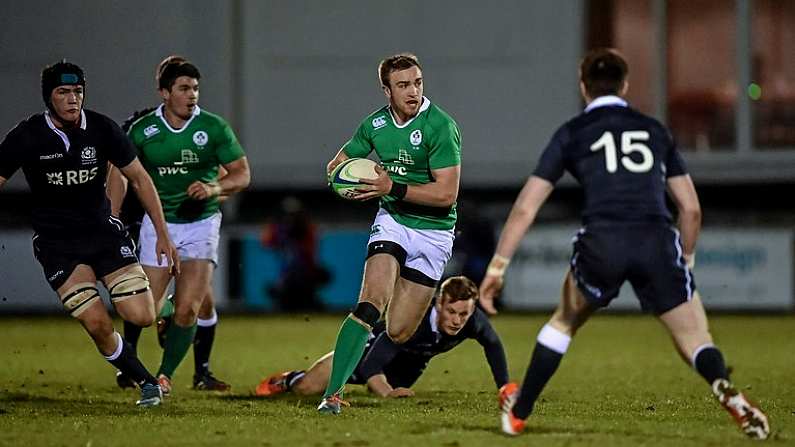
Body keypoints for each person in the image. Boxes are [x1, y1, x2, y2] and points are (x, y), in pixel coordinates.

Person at [479, 48, 770, 440]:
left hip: (604, 242)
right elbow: (691, 209)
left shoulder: (572, 133)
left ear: (584, 87)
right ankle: (722, 386)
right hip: (656, 241)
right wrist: (685, 257)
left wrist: (497, 268)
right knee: (696, 337)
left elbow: (525, 208)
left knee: (563, 323)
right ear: (625, 84)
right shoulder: (654, 130)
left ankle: (520, 411)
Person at [0, 61, 180, 407]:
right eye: (63, 92)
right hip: (58, 245)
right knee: (97, 323)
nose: (72, 99)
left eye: (78, 92)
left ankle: (163, 310)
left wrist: (163, 234)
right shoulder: (27, 136)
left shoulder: (102, 129)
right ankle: (145, 381)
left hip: (103, 235)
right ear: (48, 97)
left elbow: (141, 179)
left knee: (141, 315)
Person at [319, 53, 461, 414]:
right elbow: (335, 165)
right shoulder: (374, 125)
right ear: (386, 90)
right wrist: (346, 181)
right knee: (370, 301)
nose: (413, 91)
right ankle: (332, 394)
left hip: (434, 234)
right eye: (403, 85)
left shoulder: (440, 126)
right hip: (394, 222)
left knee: (398, 330)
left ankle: (356, 347)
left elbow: (446, 195)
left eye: (417, 82)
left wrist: (390, 186)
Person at [114, 55, 250, 396]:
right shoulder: (143, 131)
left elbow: (242, 174)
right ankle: (163, 319)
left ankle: (163, 376)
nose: (192, 95)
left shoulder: (214, 128)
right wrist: (112, 215)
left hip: (202, 226)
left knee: (192, 306)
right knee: (145, 311)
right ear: (164, 93)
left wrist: (214, 189)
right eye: (184, 88)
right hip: (159, 227)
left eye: (196, 89)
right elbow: (120, 172)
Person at [256, 276, 510, 399]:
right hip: (367, 351)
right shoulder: (414, 321)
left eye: (463, 314)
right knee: (307, 389)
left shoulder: (473, 322)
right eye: (452, 312)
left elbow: (494, 346)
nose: (457, 320)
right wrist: (387, 393)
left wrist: (504, 387)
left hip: (407, 364)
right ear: (438, 305)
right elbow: (370, 365)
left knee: (384, 389)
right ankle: (289, 379)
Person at [260, 196, 329, 311]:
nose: (290, 219)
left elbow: (310, 250)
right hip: (286, 276)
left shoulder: (306, 228)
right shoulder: (277, 229)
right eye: (287, 215)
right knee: (281, 294)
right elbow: (266, 242)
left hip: (305, 274)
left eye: (294, 216)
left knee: (308, 290)